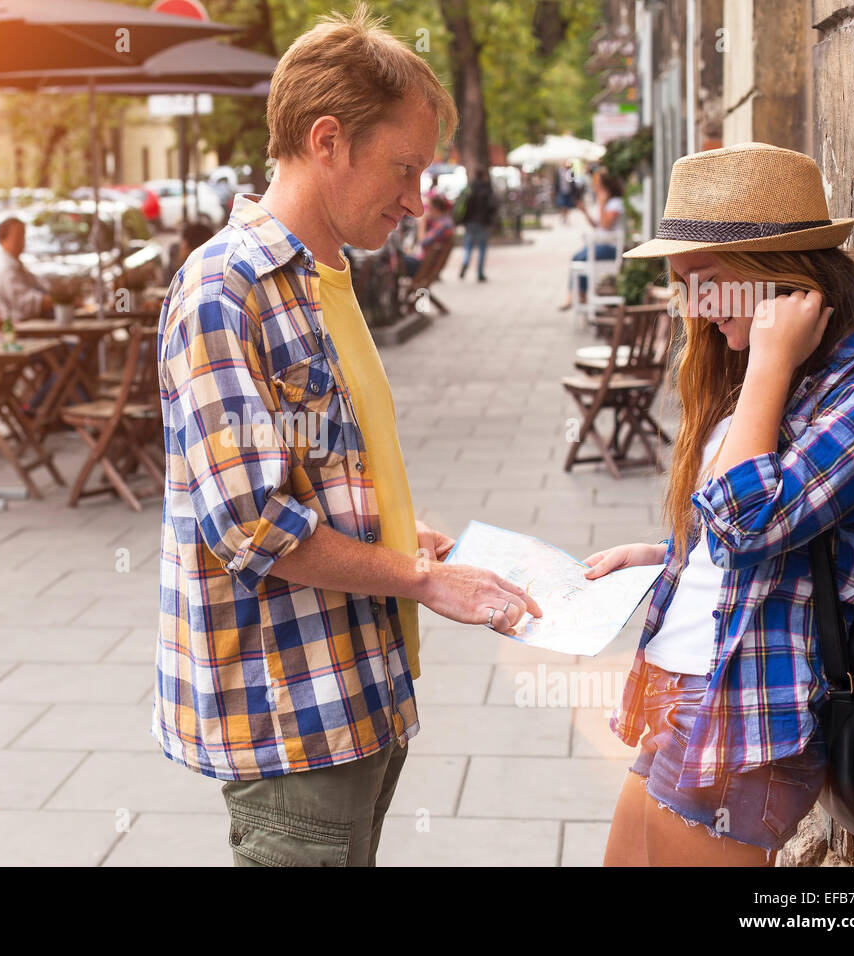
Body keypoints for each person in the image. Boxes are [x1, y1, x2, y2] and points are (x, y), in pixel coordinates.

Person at [155, 5, 543, 867]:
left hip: (355, 695)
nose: (416, 199)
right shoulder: (227, 287)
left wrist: (409, 538)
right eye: (403, 168)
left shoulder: (322, 276)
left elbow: (323, 471)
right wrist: (419, 579)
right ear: (326, 140)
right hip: (295, 722)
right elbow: (253, 524)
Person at [583, 142, 854, 866]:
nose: (698, 312)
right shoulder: (763, 372)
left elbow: (750, 526)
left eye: (706, 283)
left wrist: (769, 360)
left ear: (780, 273)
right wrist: (662, 558)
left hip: (749, 715)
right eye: (685, 287)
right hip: (687, 689)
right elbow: (737, 528)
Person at [558, 167, 625, 311]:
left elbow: (606, 225)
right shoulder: (604, 202)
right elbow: (597, 225)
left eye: (597, 184)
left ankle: (578, 295)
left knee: (582, 257)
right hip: (600, 245)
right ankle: (576, 295)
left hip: (610, 248)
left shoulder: (615, 203)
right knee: (576, 257)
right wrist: (585, 212)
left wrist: (601, 203)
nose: (595, 187)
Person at [0, 217, 53, 321]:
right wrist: (58, 300)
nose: (22, 241)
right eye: (17, 236)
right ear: (2, 240)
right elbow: (24, 302)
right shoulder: (4, 267)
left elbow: (39, 284)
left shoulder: (13, 262)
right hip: (15, 327)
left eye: (23, 235)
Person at [400, 193, 453, 278]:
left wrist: (422, 223)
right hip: (427, 264)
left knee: (394, 260)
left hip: (423, 266)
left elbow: (423, 242)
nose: (427, 211)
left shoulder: (442, 225)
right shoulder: (446, 222)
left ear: (435, 209)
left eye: (429, 208)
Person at [457, 166, 495, 282]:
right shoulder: (486, 189)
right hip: (482, 222)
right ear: (483, 175)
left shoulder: (470, 188)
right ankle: (480, 273)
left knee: (468, 246)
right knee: (482, 248)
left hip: (469, 222)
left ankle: (465, 263)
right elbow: (492, 206)